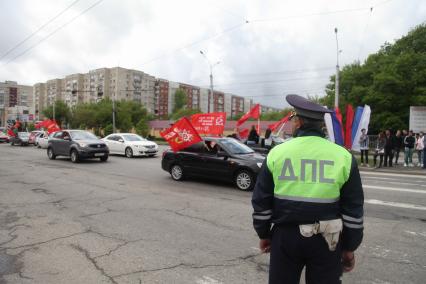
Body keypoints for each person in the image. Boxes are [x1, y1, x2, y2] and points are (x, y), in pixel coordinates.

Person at [252, 94, 364, 284]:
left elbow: (261, 203)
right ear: (320, 125)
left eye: (293, 119)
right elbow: (353, 209)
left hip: (285, 238)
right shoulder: (343, 156)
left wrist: (264, 234)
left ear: (298, 122)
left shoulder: (277, 153)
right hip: (328, 240)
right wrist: (349, 247)